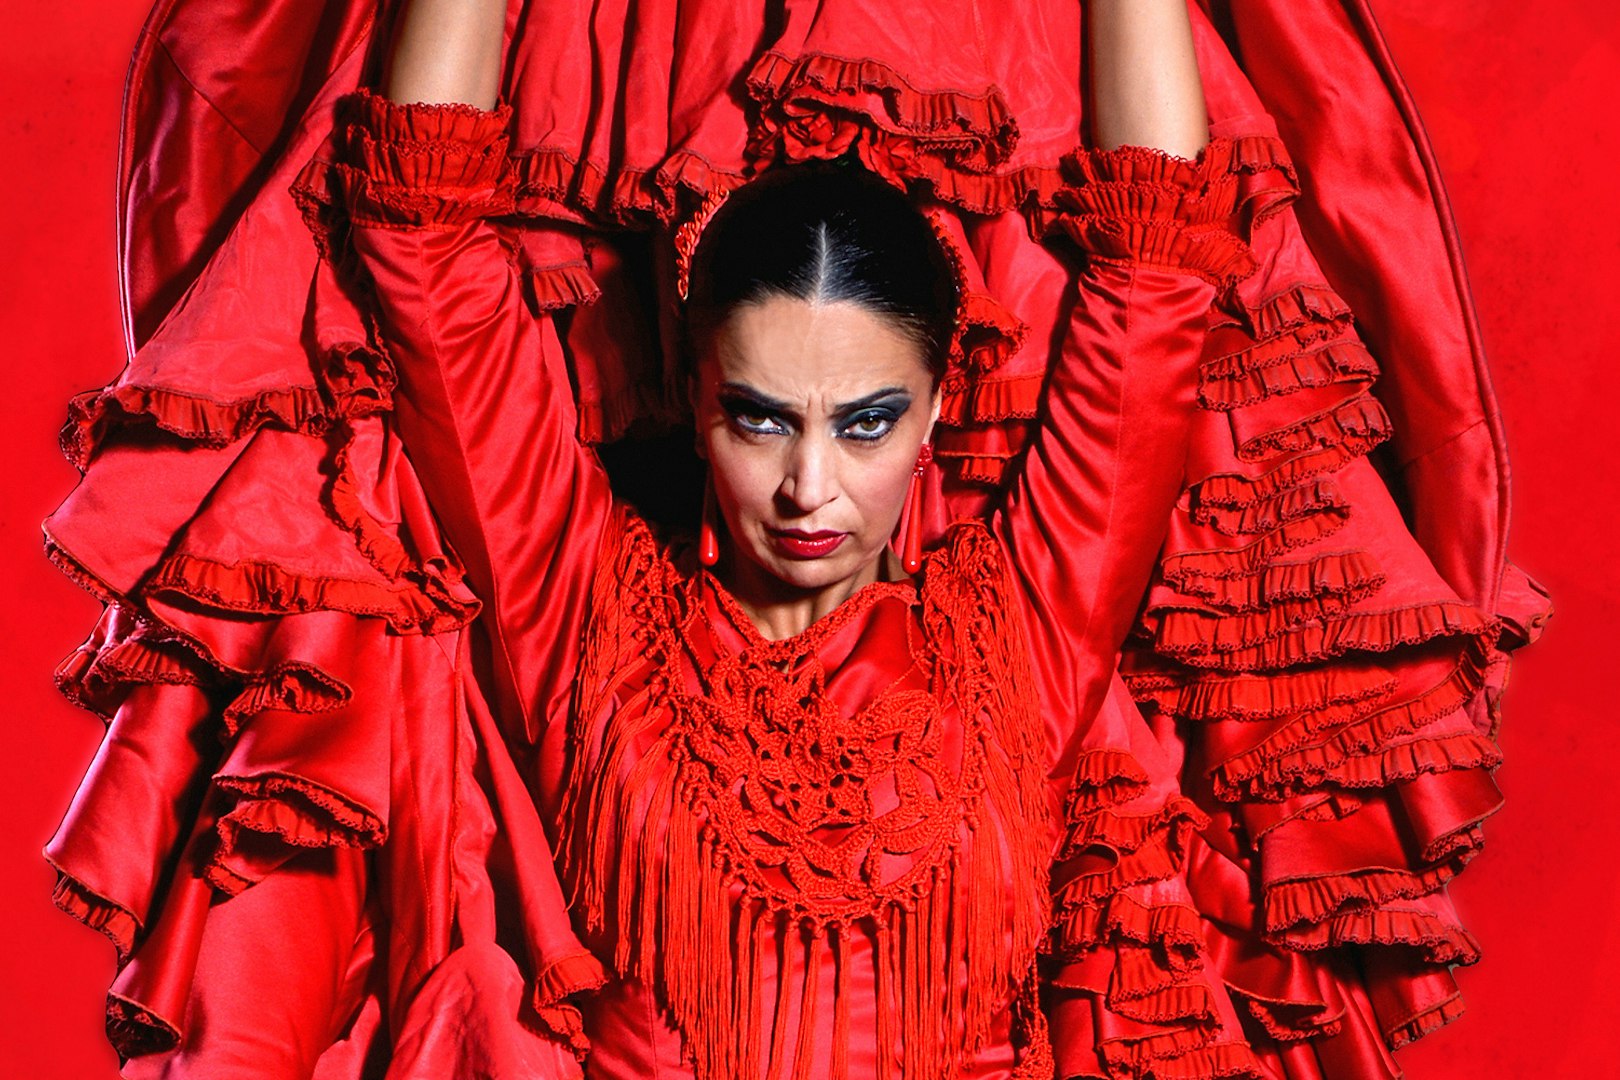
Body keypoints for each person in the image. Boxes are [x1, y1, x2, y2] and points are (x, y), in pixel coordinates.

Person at [42, 0, 1549, 1077]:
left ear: (941, 401)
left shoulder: (1025, 621)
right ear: (692, 393)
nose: (809, 489)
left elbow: (1159, 265)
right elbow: (421, 234)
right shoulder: (577, 600)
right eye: (761, 419)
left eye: (866, 424)